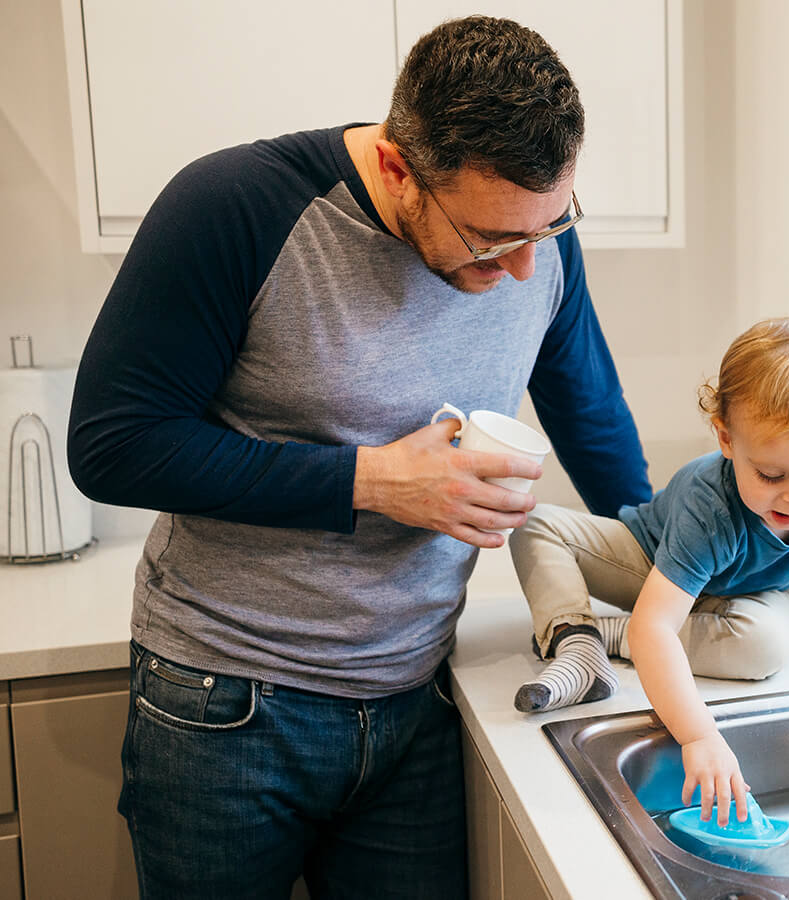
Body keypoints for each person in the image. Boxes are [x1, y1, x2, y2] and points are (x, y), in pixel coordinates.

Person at [67, 16, 651, 900]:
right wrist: (374, 481)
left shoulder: (533, 236)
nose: (529, 267)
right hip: (223, 704)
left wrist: (670, 577)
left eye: (555, 224)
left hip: (417, 698)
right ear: (395, 168)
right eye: (492, 241)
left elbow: (593, 416)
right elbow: (113, 446)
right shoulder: (236, 206)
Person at [509, 317, 789, 826]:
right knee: (535, 523)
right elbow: (656, 622)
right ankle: (577, 640)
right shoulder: (709, 502)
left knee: (766, 645)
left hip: (752, 594)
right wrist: (699, 735)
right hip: (650, 560)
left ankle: (611, 635)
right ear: (725, 438)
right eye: (771, 474)